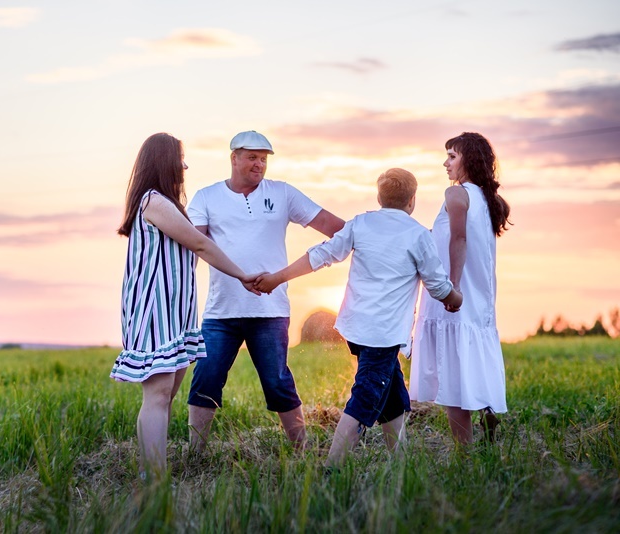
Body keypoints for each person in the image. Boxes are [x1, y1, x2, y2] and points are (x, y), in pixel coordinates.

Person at [256, 168, 463, 466]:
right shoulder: (418, 234)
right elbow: (438, 285)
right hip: (384, 333)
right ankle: (332, 468)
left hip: (356, 330)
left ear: (379, 197)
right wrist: (455, 299)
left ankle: (401, 466)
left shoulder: (360, 223)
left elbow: (321, 255)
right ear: (412, 201)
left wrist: (278, 277)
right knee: (366, 394)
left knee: (391, 395)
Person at [110, 133, 261, 479]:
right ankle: (155, 481)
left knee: (166, 394)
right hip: (154, 310)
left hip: (174, 310)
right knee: (159, 395)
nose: (185, 165)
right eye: (180, 158)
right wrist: (242, 275)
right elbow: (200, 244)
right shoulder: (153, 202)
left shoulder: (166, 203)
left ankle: (155, 472)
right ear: (163, 160)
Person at [186, 130, 346, 451]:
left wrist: (374, 232)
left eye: (263, 159)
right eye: (252, 158)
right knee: (206, 380)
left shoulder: (284, 194)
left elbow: (335, 227)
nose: (259, 165)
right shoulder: (206, 197)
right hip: (221, 313)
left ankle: (301, 451)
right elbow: (194, 246)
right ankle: (194, 454)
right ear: (234, 158)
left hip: (270, 311)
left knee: (277, 382)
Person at [409, 132, 511, 445]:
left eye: (452, 156)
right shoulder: (490, 200)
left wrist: (451, 287)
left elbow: (459, 239)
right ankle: (487, 412)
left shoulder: (456, 195)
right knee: (474, 361)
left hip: (458, 293)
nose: (445, 163)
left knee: (453, 376)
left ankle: (463, 456)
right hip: (481, 297)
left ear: (469, 159)